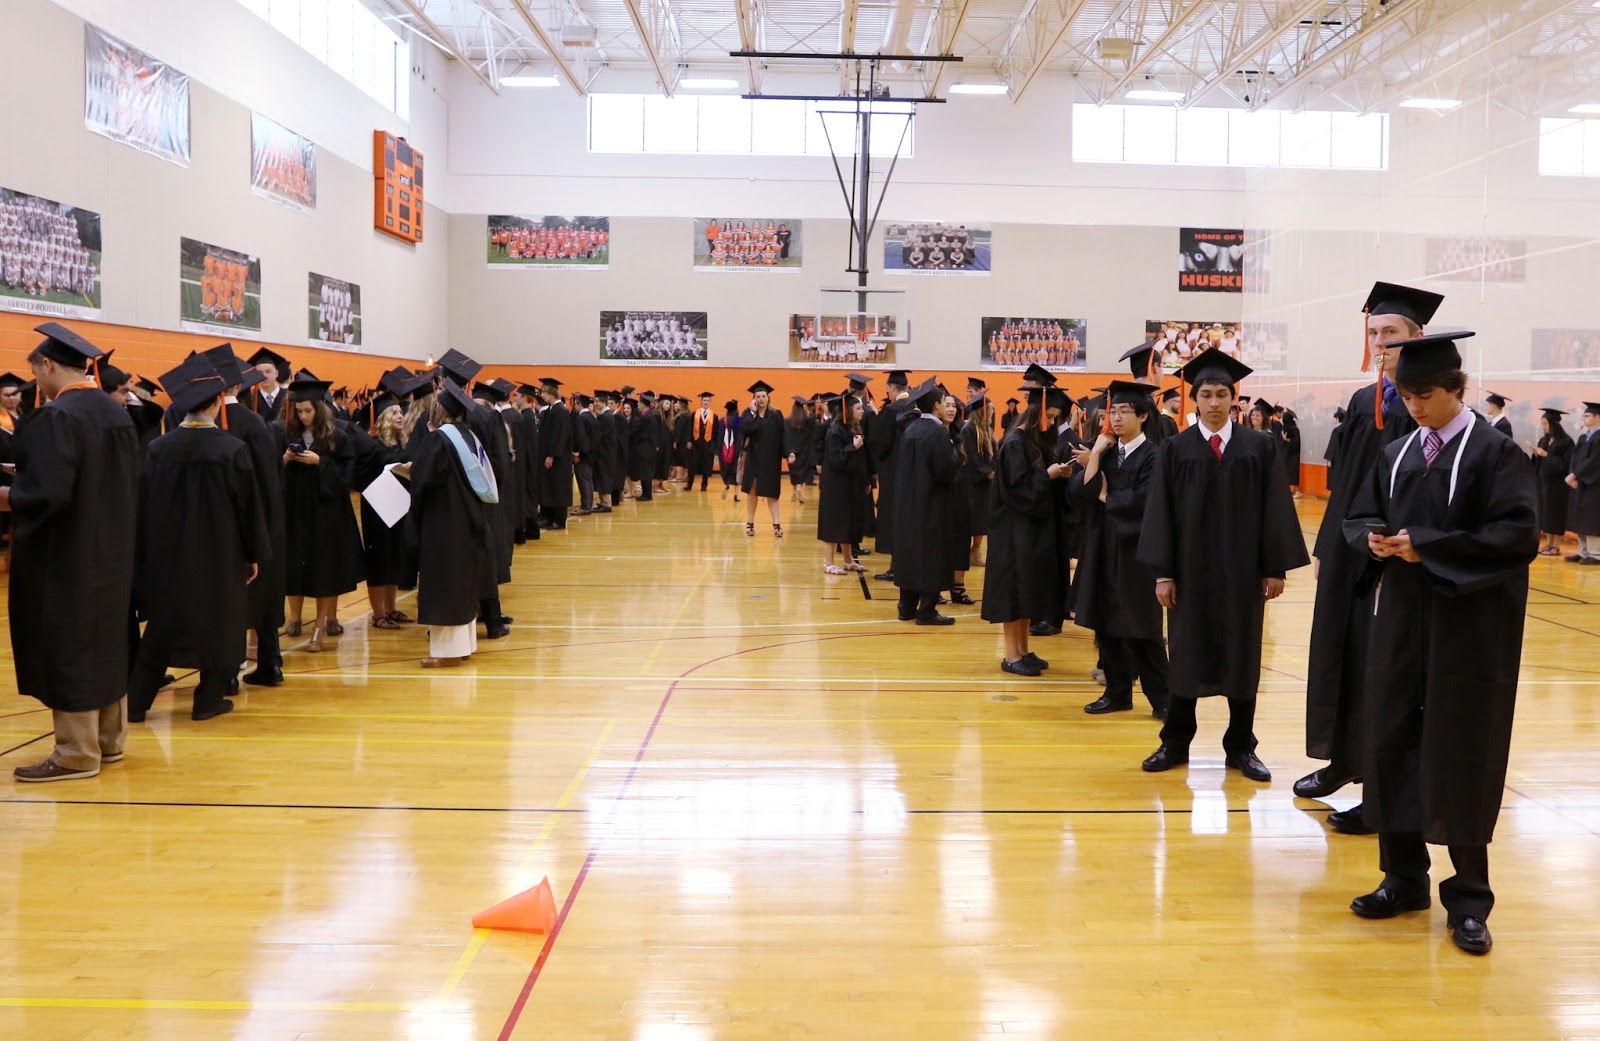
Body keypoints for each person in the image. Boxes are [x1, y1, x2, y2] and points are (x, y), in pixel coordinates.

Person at [1341, 330, 1539, 956]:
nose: (1415, 407)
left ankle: (1471, 899)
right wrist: (1371, 538)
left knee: (1462, 748)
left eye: (1426, 395)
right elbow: (1359, 512)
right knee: (1391, 737)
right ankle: (1403, 879)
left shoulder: (1495, 454)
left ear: (1458, 389)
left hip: (1469, 625)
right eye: (1406, 396)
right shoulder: (1398, 452)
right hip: (1400, 618)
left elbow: (1515, 534)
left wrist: (1427, 544)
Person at [1298, 282, 1439, 825]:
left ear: (1417, 337)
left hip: (1395, 554)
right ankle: (1342, 760)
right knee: (1340, 656)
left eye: (1392, 333)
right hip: (1348, 547)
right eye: (1374, 333)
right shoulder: (1364, 402)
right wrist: (1328, 545)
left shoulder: (1424, 406)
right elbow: (1345, 484)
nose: (1381, 342)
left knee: (1386, 669)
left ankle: (1381, 793)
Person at [1137, 348, 1309, 781]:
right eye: (1206, 394)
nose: (1214, 403)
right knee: (1186, 655)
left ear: (1235, 399)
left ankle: (1241, 747)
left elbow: (1275, 508)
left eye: (1222, 394)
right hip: (1190, 575)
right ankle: (1174, 742)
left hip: (1244, 573)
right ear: (1195, 400)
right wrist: (1163, 572)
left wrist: (1275, 567)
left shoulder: (1260, 448)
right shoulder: (1175, 450)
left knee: (1243, 656)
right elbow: (1161, 512)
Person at [2, 324, 137, 782]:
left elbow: (48, 493)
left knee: (70, 641)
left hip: (68, 552)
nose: (35, 382)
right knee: (105, 639)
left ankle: (76, 753)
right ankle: (108, 741)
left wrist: (8, 494)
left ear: (50, 365)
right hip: (112, 549)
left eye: (36, 371)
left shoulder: (61, 416)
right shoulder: (113, 411)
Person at [128, 355, 269, 723]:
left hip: (167, 555)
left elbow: (141, 506)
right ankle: (207, 701)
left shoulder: (158, 450)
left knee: (161, 628)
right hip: (219, 554)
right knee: (218, 623)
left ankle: (137, 703)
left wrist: (142, 554)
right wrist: (253, 553)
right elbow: (247, 509)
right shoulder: (230, 450)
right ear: (218, 401)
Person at [1071, 381, 1170, 718]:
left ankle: (1164, 700)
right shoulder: (1109, 452)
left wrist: (1106, 497)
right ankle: (1117, 693)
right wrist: (1096, 454)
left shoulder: (1155, 456)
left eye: (1124, 412)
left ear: (1142, 416)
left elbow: (1146, 501)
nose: (1115, 418)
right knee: (1106, 623)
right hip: (1103, 547)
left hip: (1136, 552)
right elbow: (1079, 494)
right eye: (1113, 411)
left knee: (1142, 629)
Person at [208, 344, 288, 687]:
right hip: (260, 521)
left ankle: (226, 674)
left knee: (227, 599)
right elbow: (271, 480)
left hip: (221, 525)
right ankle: (270, 664)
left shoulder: (200, 422)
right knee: (262, 595)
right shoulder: (254, 423)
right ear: (238, 386)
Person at [981, 385, 1071, 674]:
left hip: (1028, 530)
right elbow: (1018, 491)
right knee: (1013, 592)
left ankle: (1023, 649)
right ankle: (1011, 656)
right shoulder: (1015, 443)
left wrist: (1058, 475)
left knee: (1027, 591)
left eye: (1056, 418)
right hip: (1012, 531)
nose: (1053, 423)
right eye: (1051, 416)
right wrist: (1048, 475)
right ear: (1037, 413)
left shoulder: (1033, 442)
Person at [407, 382, 497, 668]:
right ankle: (463, 646)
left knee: (444, 584)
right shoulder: (468, 436)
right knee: (463, 583)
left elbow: (425, 479)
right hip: (468, 519)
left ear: (438, 410)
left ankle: (445, 653)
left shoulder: (439, 440)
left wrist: (412, 471)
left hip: (443, 521)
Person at [280, 374, 365, 651]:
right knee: (294, 565)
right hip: (296, 511)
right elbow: (273, 474)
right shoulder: (286, 435)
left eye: (308, 410)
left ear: (319, 410)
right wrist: (285, 460)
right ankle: (294, 617)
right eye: (299, 411)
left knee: (324, 569)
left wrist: (321, 463)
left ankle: (319, 626)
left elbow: (347, 478)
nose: (303, 416)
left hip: (327, 514)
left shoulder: (337, 437)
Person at [891, 379, 958, 625]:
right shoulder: (937, 433)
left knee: (910, 554)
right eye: (944, 403)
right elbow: (945, 472)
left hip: (908, 503)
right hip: (931, 503)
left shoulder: (911, 430)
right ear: (937, 406)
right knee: (931, 554)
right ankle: (927, 610)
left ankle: (906, 607)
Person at [360, 394, 412, 628]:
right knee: (379, 559)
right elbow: (362, 477)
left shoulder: (402, 443)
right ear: (382, 418)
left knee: (395, 556)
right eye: (394, 413)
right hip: (376, 508)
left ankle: (391, 608)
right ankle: (378, 613)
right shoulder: (372, 445)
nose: (400, 416)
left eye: (400, 412)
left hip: (398, 506)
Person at [818, 395, 869, 574]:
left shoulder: (854, 428)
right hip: (836, 485)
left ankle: (848, 560)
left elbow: (862, 459)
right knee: (834, 521)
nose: (862, 411)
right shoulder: (835, 431)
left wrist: (866, 480)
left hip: (852, 483)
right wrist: (853, 448)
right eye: (858, 409)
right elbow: (835, 459)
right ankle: (829, 562)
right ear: (848, 411)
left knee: (850, 520)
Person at [741, 380, 786, 537]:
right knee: (752, 491)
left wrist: (789, 453)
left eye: (763, 396)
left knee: (772, 493)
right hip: (753, 459)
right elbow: (747, 429)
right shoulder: (748, 414)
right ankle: (750, 523)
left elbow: (783, 435)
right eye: (757, 396)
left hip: (771, 460)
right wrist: (753, 413)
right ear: (753, 398)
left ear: (768, 398)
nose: (760, 399)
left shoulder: (776, 414)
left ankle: (777, 524)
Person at [960, 394, 996, 570]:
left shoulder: (987, 429)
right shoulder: (968, 429)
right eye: (990, 409)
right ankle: (966, 551)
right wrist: (986, 471)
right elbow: (971, 455)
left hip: (985, 483)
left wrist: (994, 469)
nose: (992, 412)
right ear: (983, 411)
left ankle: (976, 550)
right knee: (972, 518)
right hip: (972, 481)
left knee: (982, 519)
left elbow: (993, 454)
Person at [1532, 408, 1573, 556]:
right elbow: (1540, 460)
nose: (1543, 427)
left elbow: (1565, 464)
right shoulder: (1544, 440)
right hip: (1544, 483)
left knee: (1555, 514)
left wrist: (1546, 454)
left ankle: (1556, 545)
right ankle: (1548, 544)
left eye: (1545, 424)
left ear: (1553, 424)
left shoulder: (1566, 442)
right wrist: (1536, 454)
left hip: (1557, 485)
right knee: (1545, 514)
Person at [537, 378, 573, 529]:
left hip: (558, 458)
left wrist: (552, 454)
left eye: (544, 392)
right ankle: (548, 517)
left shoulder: (560, 412)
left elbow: (560, 436)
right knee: (549, 487)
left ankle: (559, 520)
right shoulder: (551, 410)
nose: (542, 396)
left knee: (558, 487)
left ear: (552, 393)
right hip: (549, 456)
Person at [1567, 402, 1600, 564]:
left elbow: (1594, 461)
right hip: (1580, 482)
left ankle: (1596, 554)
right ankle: (1583, 551)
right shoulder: (1583, 437)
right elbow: (1575, 458)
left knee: (1592, 518)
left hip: (1595, 484)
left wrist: (1574, 475)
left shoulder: (1599, 438)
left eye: (1587, 416)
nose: (1584, 418)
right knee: (1579, 516)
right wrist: (1572, 475)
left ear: (1597, 417)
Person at [785, 395, 818, 504]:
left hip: (792, 451)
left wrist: (789, 451)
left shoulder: (788, 421)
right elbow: (814, 428)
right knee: (802, 471)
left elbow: (786, 436)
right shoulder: (807, 421)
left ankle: (794, 492)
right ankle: (799, 490)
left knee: (793, 472)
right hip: (804, 451)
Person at [570, 393, 598, 515]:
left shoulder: (581, 418)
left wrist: (577, 454)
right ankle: (588, 504)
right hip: (592, 454)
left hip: (583, 455)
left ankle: (585, 506)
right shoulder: (592, 417)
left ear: (579, 404)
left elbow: (580, 438)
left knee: (583, 480)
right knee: (588, 480)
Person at [684, 391, 717, 491]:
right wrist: (688, 441)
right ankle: (689, 484)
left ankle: (704, 485)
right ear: (701, 401)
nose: (706, 402)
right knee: (692, 464)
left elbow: (716, 432)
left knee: (706, 464)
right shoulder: (694, 414)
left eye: (707, 400)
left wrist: (713, 445)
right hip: (695, 443)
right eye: (704, 400)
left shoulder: (714, 416)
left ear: (710, 402)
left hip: (707, 444)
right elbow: (689, 428)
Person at [247, 347, 291, 422]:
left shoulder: (288, 395)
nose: (264, 376)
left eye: (268, 372)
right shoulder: (250, 398)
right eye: (260, 373)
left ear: (276, 373)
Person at [718, 398, 741, 500]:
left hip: (724, 449)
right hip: (736, 449)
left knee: (726, 468)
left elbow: (719, 436)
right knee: (736, 470)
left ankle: (727, 484)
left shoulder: (722, 421)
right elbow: (742, 436)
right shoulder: (738, 421)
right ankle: (736, 495)